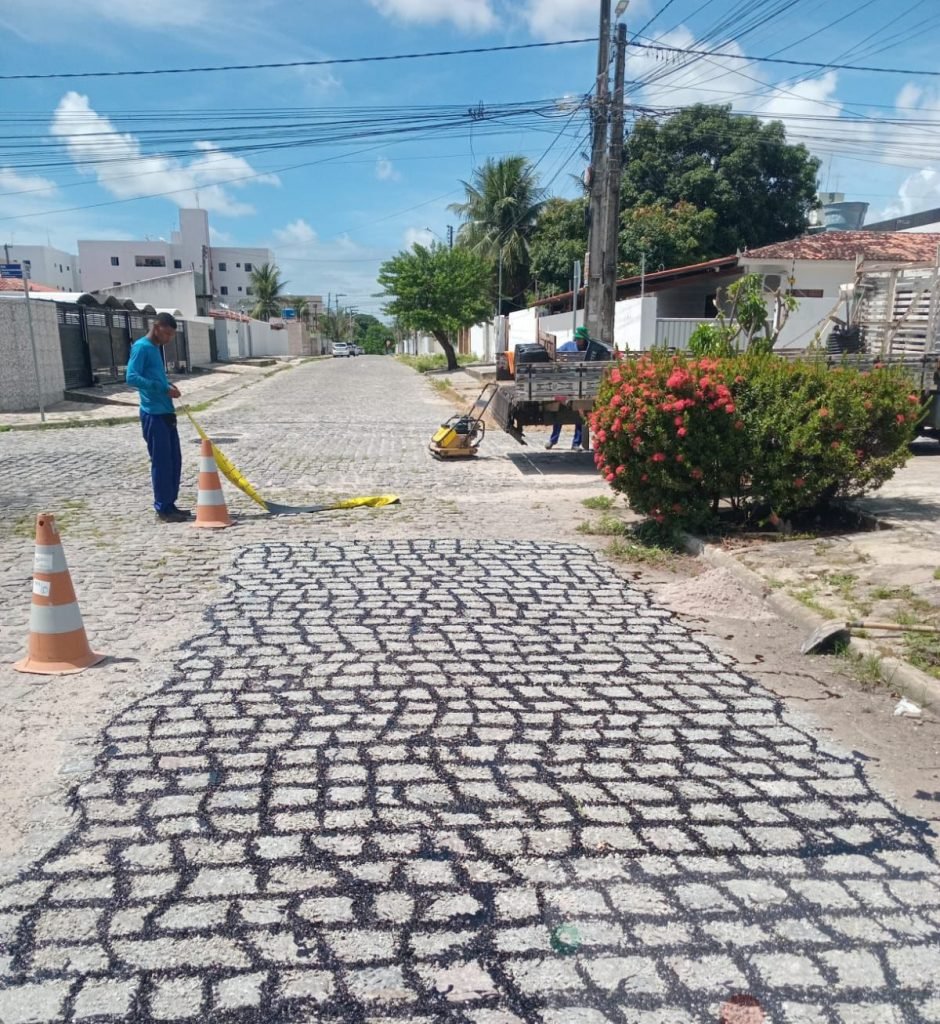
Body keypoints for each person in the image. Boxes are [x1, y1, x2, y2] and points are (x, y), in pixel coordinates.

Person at [126, 312, 190, 523]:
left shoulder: (155, 349)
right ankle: (162, 508)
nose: (169, 339)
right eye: (168, 333)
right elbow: (131, 377)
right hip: (153, 414)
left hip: (166, 412)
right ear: (157, 327)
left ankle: (170, 503)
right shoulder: (142, 347)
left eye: (172, 335)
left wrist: (168, 386)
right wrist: (162, 388)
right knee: (161, 462)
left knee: (174, 461)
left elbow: (154, 376)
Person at [545, 326, 590, 450]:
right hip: (565, 384)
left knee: (579, 415)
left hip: (580, 386)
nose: (578, 341)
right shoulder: (568, 346)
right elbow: (556, 355)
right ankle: (553, 440)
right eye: (577, 338)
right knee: (560, 413)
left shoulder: (589, 350)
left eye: (580, 339)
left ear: (585, 339)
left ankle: (576, 443)